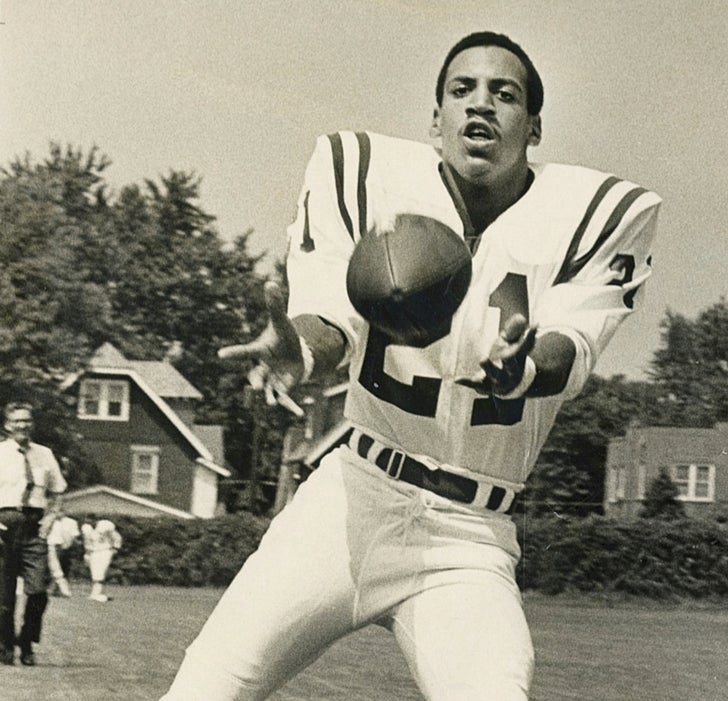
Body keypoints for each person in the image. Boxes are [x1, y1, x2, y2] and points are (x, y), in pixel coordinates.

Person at [162, 31, 661, 700]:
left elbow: (572, 345)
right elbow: (331, 319)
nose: (479, 105)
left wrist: (520, 365)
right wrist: (298, 349)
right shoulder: (363, 174)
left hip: (468, 535)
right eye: (462, 90)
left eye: (503, 94)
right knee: (204, 688)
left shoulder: (595, 214)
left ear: (533, 126)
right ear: (434, 120)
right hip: (352, 499)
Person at [0, 402, 68, 666]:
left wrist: (51, 517)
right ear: (7, 425)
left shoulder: (45, 454)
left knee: (39, 591)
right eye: (17, 421)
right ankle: (5, 646)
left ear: (32, 424)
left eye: (27, 421)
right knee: (3, 599)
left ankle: (26, 642)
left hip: (34, 528)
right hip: (4, 526)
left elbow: (58, 491)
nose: (22, 426)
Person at [81, 518, 122, 602]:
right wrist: (87, 554)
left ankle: (96, 593)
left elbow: (117, 537)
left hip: (104, 551)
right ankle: (95, 593)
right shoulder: (87, 529)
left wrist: (115, 548)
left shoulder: (105, 525)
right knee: (95, 573)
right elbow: (87, 543)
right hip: (94, 552)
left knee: (99, 573)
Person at [45, 511, 80, 597]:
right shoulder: (54, 522)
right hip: (51, 545)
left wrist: (66, 545)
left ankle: (63, 590)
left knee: (56, 568)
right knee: (54, 568)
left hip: (56, 546)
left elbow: (69, 536)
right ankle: (55, 589)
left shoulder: (63, 522)